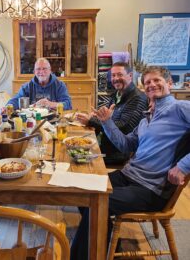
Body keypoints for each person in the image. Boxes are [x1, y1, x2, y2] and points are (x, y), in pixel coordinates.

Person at [70, 66, 190, 259]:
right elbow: (125, 145)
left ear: (169, 83)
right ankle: (103, 245)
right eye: (148, 82)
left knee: (96, 202)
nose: (151, 84)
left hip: (150, 188)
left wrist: (183, 166)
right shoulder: (146, 118)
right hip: (129, 175)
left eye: (157, 80)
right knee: (84, 192)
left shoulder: (180, 108)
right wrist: (107, 122)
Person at [76, 62, 148, 165]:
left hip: (117, 154)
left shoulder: (138, 99)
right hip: (105, 145)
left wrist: (91, 121)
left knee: (77, 163)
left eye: (120, 74)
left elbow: (124, 128)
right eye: (113, 75)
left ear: (130, 76)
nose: (115, 78)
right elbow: (109, 119)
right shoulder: (117, 94)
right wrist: (97, 116)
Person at [7, 58, 72, 110]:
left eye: (44, 69)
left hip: (55, 121)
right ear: (34, 71)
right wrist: (7, 107)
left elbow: (68, 104)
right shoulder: (26, 87)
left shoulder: (60, 85)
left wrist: (50, 104)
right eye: (38, 69)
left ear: (50, 70)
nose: (41, 72)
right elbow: (16, 100)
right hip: (33, 121)